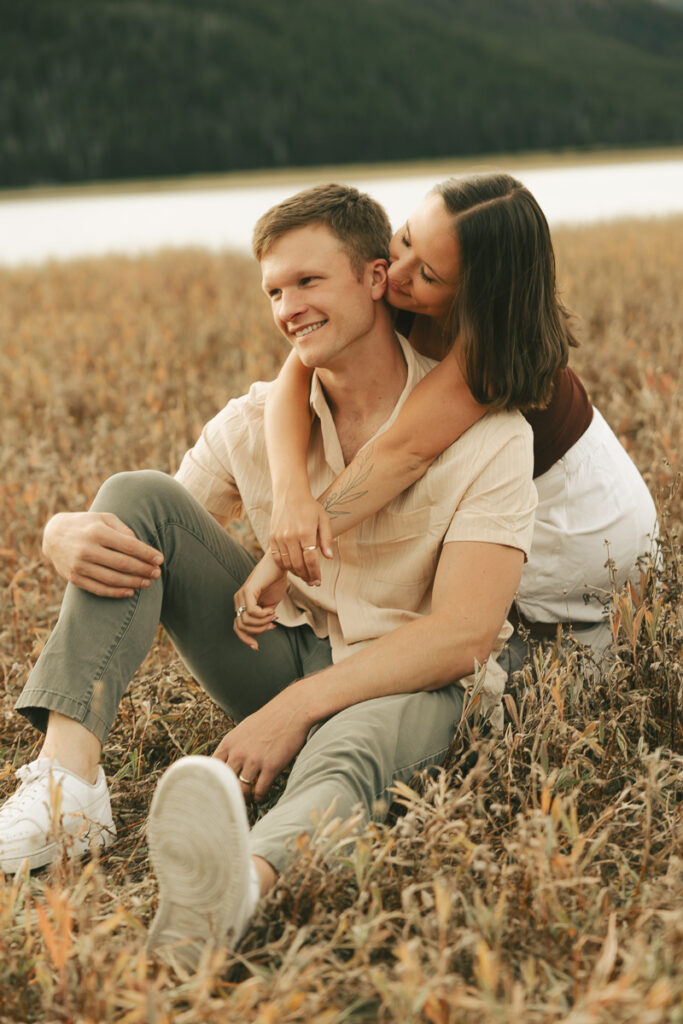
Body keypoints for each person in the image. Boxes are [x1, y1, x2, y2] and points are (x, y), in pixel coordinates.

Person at [0, 182, 535, 967]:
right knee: (133, 496)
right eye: (274, 290)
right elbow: (151, 536)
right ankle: (65, 790)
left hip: (411, 680)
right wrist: (60, 534)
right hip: (280, 654)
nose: (288, 307)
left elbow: (462, 635)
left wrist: (295, 709)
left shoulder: (489, 431)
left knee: (345, 756)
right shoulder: (257, 418)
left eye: (309, 282)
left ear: (375, 278)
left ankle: (237, 887)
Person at [255, 174, 658, 672]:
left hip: (581, 529)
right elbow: (292, 380)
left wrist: (284, 555)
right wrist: (291, 494)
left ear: (475, 295)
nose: (397, 271)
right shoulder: (399, 290)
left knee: (504, 668)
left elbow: (401, 452)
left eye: (428, 274)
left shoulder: (494, 350)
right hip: (521, 502)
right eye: (404, 238)